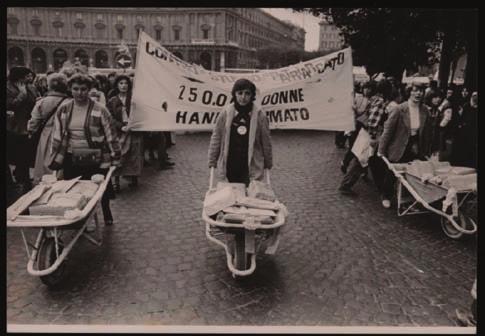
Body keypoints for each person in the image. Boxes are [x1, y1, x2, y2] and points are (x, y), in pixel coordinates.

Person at [49, 74, 121, 225]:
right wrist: (54, 156)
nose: (80, 93)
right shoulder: (64, 109)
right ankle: (79, 219)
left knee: (100, 188)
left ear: (89, 89)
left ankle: (106, 212)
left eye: (83, 89)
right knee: (75, 189)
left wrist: (115, 157)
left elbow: (111, 135)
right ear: (70, 89)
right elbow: (57, 134)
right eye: (76, 89)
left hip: (96, 156)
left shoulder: (100, 109)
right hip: (71, 155)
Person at [208, 78, 272, 185]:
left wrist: (268, 162)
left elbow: (266, 142)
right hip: (230, 163)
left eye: (247, 94)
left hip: (251, 165)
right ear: (234, 94)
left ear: (252, 96)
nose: (243, 97)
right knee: (231, 197)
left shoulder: (260, 116)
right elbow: (216, 137)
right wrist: (212, 159)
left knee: (250, 197)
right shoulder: (226, 113)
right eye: (240, 93)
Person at [378, 82, 431, 208]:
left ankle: (407, 198)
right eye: (415, 90)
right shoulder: (399, 109)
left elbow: (427, 133)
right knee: (393, 172)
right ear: (409, 92)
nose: (418, 93)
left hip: (415, 145)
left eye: (421, 91)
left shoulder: (425, 110)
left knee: (413, 173)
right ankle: (385, 195)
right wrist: (381, 150)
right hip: (399, 145)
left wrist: (427, 150)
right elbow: (388, 131)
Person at [339, 79, 392, 196]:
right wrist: (373, 138)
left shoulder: (374, 100)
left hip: (366, 134)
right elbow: (373, 122)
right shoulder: (380, 102)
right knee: (360, 161)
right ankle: (345, 185)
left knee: (364, 161)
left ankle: (380, 186)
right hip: (370, 136)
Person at [27, 73, 69, 185]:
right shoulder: (70, 102)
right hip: (66, 137)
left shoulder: (42, 102)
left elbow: (33, 123)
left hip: (46, 136)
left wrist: (31, 131)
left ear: (49, 86)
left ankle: (45, 185)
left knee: (45, 163)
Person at [107, 75, 144, 190]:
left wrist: (133, 124)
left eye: (126, 83)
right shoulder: (112, 100)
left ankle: (133, 177)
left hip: (133, 130)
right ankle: (115, 181)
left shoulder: (134, 100)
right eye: (121, 83)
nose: (124, 86)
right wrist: (120, 126)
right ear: (117, 85)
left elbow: (140, 114)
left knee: (134, 154)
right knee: (119, 155)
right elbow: (110, 117)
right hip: (119, 131)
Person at [6, 66, 39, 192]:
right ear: (19, 77)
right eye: (27, 76)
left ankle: (23, 176)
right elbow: (10, 105)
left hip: (29, 124)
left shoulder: (30, 87)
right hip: (14, 126)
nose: (29, 78)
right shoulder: (7, 88)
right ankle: (21, 177)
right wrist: (22, 95)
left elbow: (35, 102)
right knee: (18, 153)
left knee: (26, 153)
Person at [340, 80, 374, 174]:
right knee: (353, 147)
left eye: (369, 89)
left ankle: (363, 170)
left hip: (364, 126)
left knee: (362, 148)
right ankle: (345, 163)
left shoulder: (371, 100)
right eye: (366, 88)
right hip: (355, 124)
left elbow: (363, 113)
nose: (367, 90)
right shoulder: (357, 97)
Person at [450, 91, 477, 168]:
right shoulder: (466, 106)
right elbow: (459, 119)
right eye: (474, 96)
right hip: (463, 134)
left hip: (472, 136)